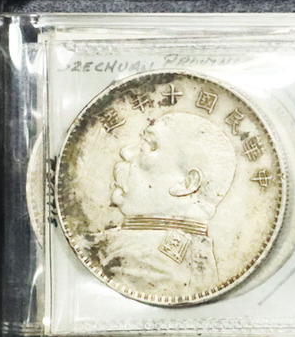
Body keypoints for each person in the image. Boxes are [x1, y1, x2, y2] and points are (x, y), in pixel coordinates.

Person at [94, 112, 237, 299]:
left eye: (150, 145)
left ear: (187, 184)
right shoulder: (182, 255)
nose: (126, 152)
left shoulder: (147, 265)